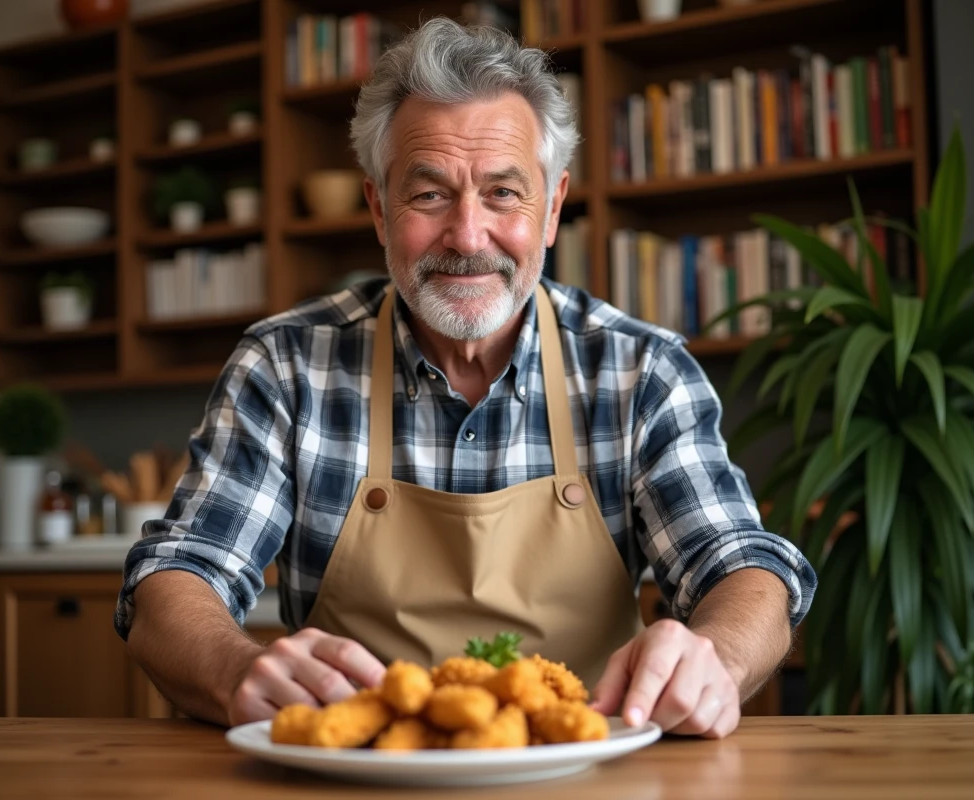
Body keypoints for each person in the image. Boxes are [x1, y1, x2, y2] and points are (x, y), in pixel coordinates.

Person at [116, 17, 816, 740]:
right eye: (428, 195)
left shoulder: (641, 372)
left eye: (504, 193)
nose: (468, 235)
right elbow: (178, 573)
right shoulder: (286, 366)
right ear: (378, 209)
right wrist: (235, 671)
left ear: (551, 208)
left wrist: (716, 660)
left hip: (589, 771)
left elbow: (739, 562)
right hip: (355, 775)